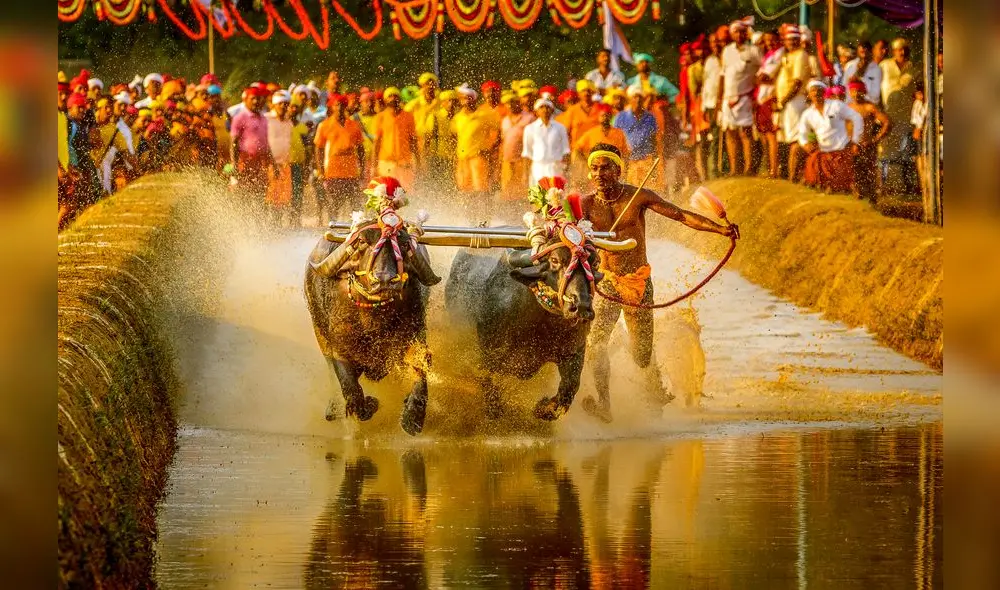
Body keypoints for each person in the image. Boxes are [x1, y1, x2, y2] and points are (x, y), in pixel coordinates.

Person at [579, 143, 738, 421]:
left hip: (638, 282)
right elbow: (565, 233)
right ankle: (604, 405)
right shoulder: (584, 205)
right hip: (606, 282)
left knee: (641, 355)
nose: (599, 174)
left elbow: (680, 215)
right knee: (596, 343)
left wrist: (721, 229)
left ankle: (654, 387)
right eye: (594, 168)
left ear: (618, 169)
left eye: (605, 168)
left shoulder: (638, 197)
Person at [798, 80, 863, 193]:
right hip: (823, 153)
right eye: (812, 91)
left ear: (823, 92)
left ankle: (843, 187)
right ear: (809, 94)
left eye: (818, 90)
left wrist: (856, 141)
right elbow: (801, 133)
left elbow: (856, 117)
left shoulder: (836, 105)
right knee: (812, 166)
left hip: (842, 151)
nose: (815, 93)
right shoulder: (807, 114)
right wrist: (805, 144)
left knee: (843, 182)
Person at [719, 17, 762, 176]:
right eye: (736, 32)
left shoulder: (754, 50)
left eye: (742, 32)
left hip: (745, 97)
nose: (739, 34)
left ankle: (749, 168)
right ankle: (733, 169)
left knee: (746, 133)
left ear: (746, 33)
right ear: (732, 34)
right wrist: (719, 99)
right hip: (727, 98)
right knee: (730, 133)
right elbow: (722, 75)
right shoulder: (727, 51)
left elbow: (763, 71)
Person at [314, 93, 365, 223]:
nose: (340, 108)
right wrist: (320, 170)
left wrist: (362, 168)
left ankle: (356, 229)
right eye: (337, 105)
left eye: (343, 105)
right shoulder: (324, 125)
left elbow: (360, 148)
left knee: (356, 204)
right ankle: (333, 227)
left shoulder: (354, 125)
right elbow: (318, 149)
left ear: (346, 106)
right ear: (332, 107)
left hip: (351, 171)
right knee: (335, 204)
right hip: (333, 171)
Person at [879, 37, 918, 195]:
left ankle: (905, 188)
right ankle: (884, 186)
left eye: (904, 49)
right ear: (893, 51)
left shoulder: (913, 68)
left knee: (905, 152)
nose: (901, 52)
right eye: (898, 49)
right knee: (885, 151)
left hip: (906, 117)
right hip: (888, 115)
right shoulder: (884, 66)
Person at [452, 84, 501, 203]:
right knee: (464, 189)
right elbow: (454, 137)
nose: (465, 101)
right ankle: (469, 218)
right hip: (462, 158)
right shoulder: (458, 117)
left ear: (473, 99)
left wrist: (489, 149)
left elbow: (499, 132)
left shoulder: (483, 115)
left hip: (478, 157)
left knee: (481, 189)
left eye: (467, 98)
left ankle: (484, 217)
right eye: (462, 98)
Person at [230, 85, 274, 215]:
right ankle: (244, 220)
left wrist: (273, 163)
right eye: (253, 98)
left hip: (262, 161)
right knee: (245, 192)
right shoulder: (240, 118)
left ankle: (258, 221)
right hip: (245, 160)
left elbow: (267, 142)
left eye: (258, 99)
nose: (256, 101)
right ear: (246, 100)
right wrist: (234, 163)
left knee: (261, 192)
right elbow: (233, 142)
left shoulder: (264, 118)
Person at [775, 24, 811, 181]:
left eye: (793, 39)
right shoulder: (788, 56)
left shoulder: (801, 54)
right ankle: (792, 175)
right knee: (790, 139)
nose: (790, 42)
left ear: (798, 40)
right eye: (788, 39)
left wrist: (783, 100)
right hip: (788, 103)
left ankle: (793, 176)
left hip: (795, 101)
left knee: (796, 139)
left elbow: (797, 83)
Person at [848, 80, 891, 204]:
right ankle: (857, 200)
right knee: (854, 174)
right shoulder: (847, 108)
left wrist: (874, 140)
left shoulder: (869, 107)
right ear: (850, 92)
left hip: (867, 146)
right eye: (853, 91)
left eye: (859, 91)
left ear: (864, 92)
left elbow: (887, 123)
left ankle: (873, 200)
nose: (856, 94)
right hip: (850, 146)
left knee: (869, 173)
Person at [371, 86, 419, 191]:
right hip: (386, 163)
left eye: (395, 96)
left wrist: (418, 161)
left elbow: (413, 141)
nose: (393, 98)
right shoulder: (380, 117)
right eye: (390, 96)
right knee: (388, 193)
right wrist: (373, 166)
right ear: (385, 100)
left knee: (405, 193)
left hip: (405, 163)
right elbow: (377, 143)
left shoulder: (408, 116)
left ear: (399, 98)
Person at [615, 86, 659, 187]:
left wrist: (654, 157)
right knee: (628, 188)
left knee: (647, 188)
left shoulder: (650, 117)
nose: (638, 99)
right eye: (635, 97)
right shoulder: (621, 116)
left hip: (646, 158)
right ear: (630, 99)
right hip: (628, 160)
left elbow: (653, 139)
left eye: (640, 97)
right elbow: (616, 137)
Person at [521, 97, 570, 186]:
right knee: (538, 196)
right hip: (538, 168)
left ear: (552, 110)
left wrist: (566, 170)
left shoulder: (560, 128)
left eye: (547, 107)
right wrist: (525, 174)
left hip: (555, 168)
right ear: (536, 111)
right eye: (541, 107)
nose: (545, 110)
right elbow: (527, 153)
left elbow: (566, 150)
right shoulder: (530, 128)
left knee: (555, 196)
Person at [499, 91, 535, 202]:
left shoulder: (529, 118)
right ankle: (507, 215)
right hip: (507, 160)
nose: (510, 106)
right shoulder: (505, 120)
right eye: (507, 104)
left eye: (512, 103)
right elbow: (503, 140)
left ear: (518, 103)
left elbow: (533, 140)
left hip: (522, 159)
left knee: (522, 188)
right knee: (507, 188)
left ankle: (521, 214)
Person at [265, 91, 295, 223]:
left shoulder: (289, 121)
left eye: (286, 104)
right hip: (271, 165)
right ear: (274, 105)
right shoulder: (266, 119)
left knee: (283, 199)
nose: (283, 106)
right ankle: (268, 225)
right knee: (270, 197)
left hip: (285, 165)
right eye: (280, 103)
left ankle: (277, 225)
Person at [405, 72, 440, 182]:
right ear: (422, 87)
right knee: (419, 179)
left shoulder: (441, 102)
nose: (430, 87)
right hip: (419, 146)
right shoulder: (413, 105)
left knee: (438, 179)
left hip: (439, 149)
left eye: (432, 84)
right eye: (427, 84)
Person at [700, 30, 726, 178]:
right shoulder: (709, 61)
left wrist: (720, 103)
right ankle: (713, 169)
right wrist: (704, 106)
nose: (715, 45)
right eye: (713, 42)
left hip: (722, 103)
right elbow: (705, 83)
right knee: (713, 137)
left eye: (718, 42)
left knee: (720, 136)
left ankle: (720, 169)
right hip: (709, 103)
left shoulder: (725, 58)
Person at [842, 41, 882, 106]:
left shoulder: (877, 69)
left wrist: (860, 84)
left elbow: (876, 94)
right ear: (858, 52)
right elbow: (844, 87)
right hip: (850, 105)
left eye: (866, 51)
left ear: (871, 52)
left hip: (868, 106)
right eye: (862, 52)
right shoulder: (850, 66)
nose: (864, 55)